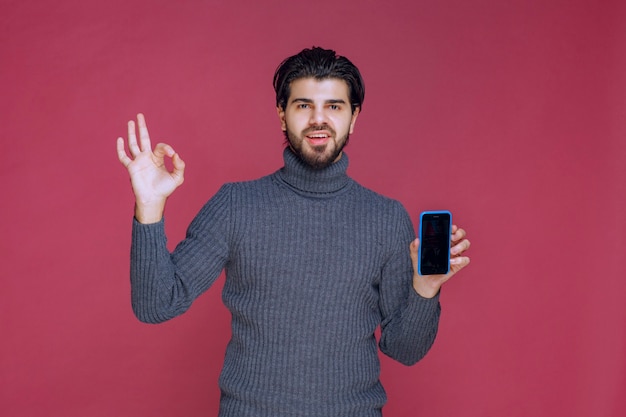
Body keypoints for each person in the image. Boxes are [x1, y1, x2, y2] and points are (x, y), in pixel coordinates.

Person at [116, 47, 470, 417]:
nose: (319, 119)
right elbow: (155, 305)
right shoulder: (236, 205)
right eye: (303, 106)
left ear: (354, 118)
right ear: (282, 116)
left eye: (334, 106)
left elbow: (405, 350)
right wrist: (150, 207)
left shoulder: (385, 217)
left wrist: (426, 289)